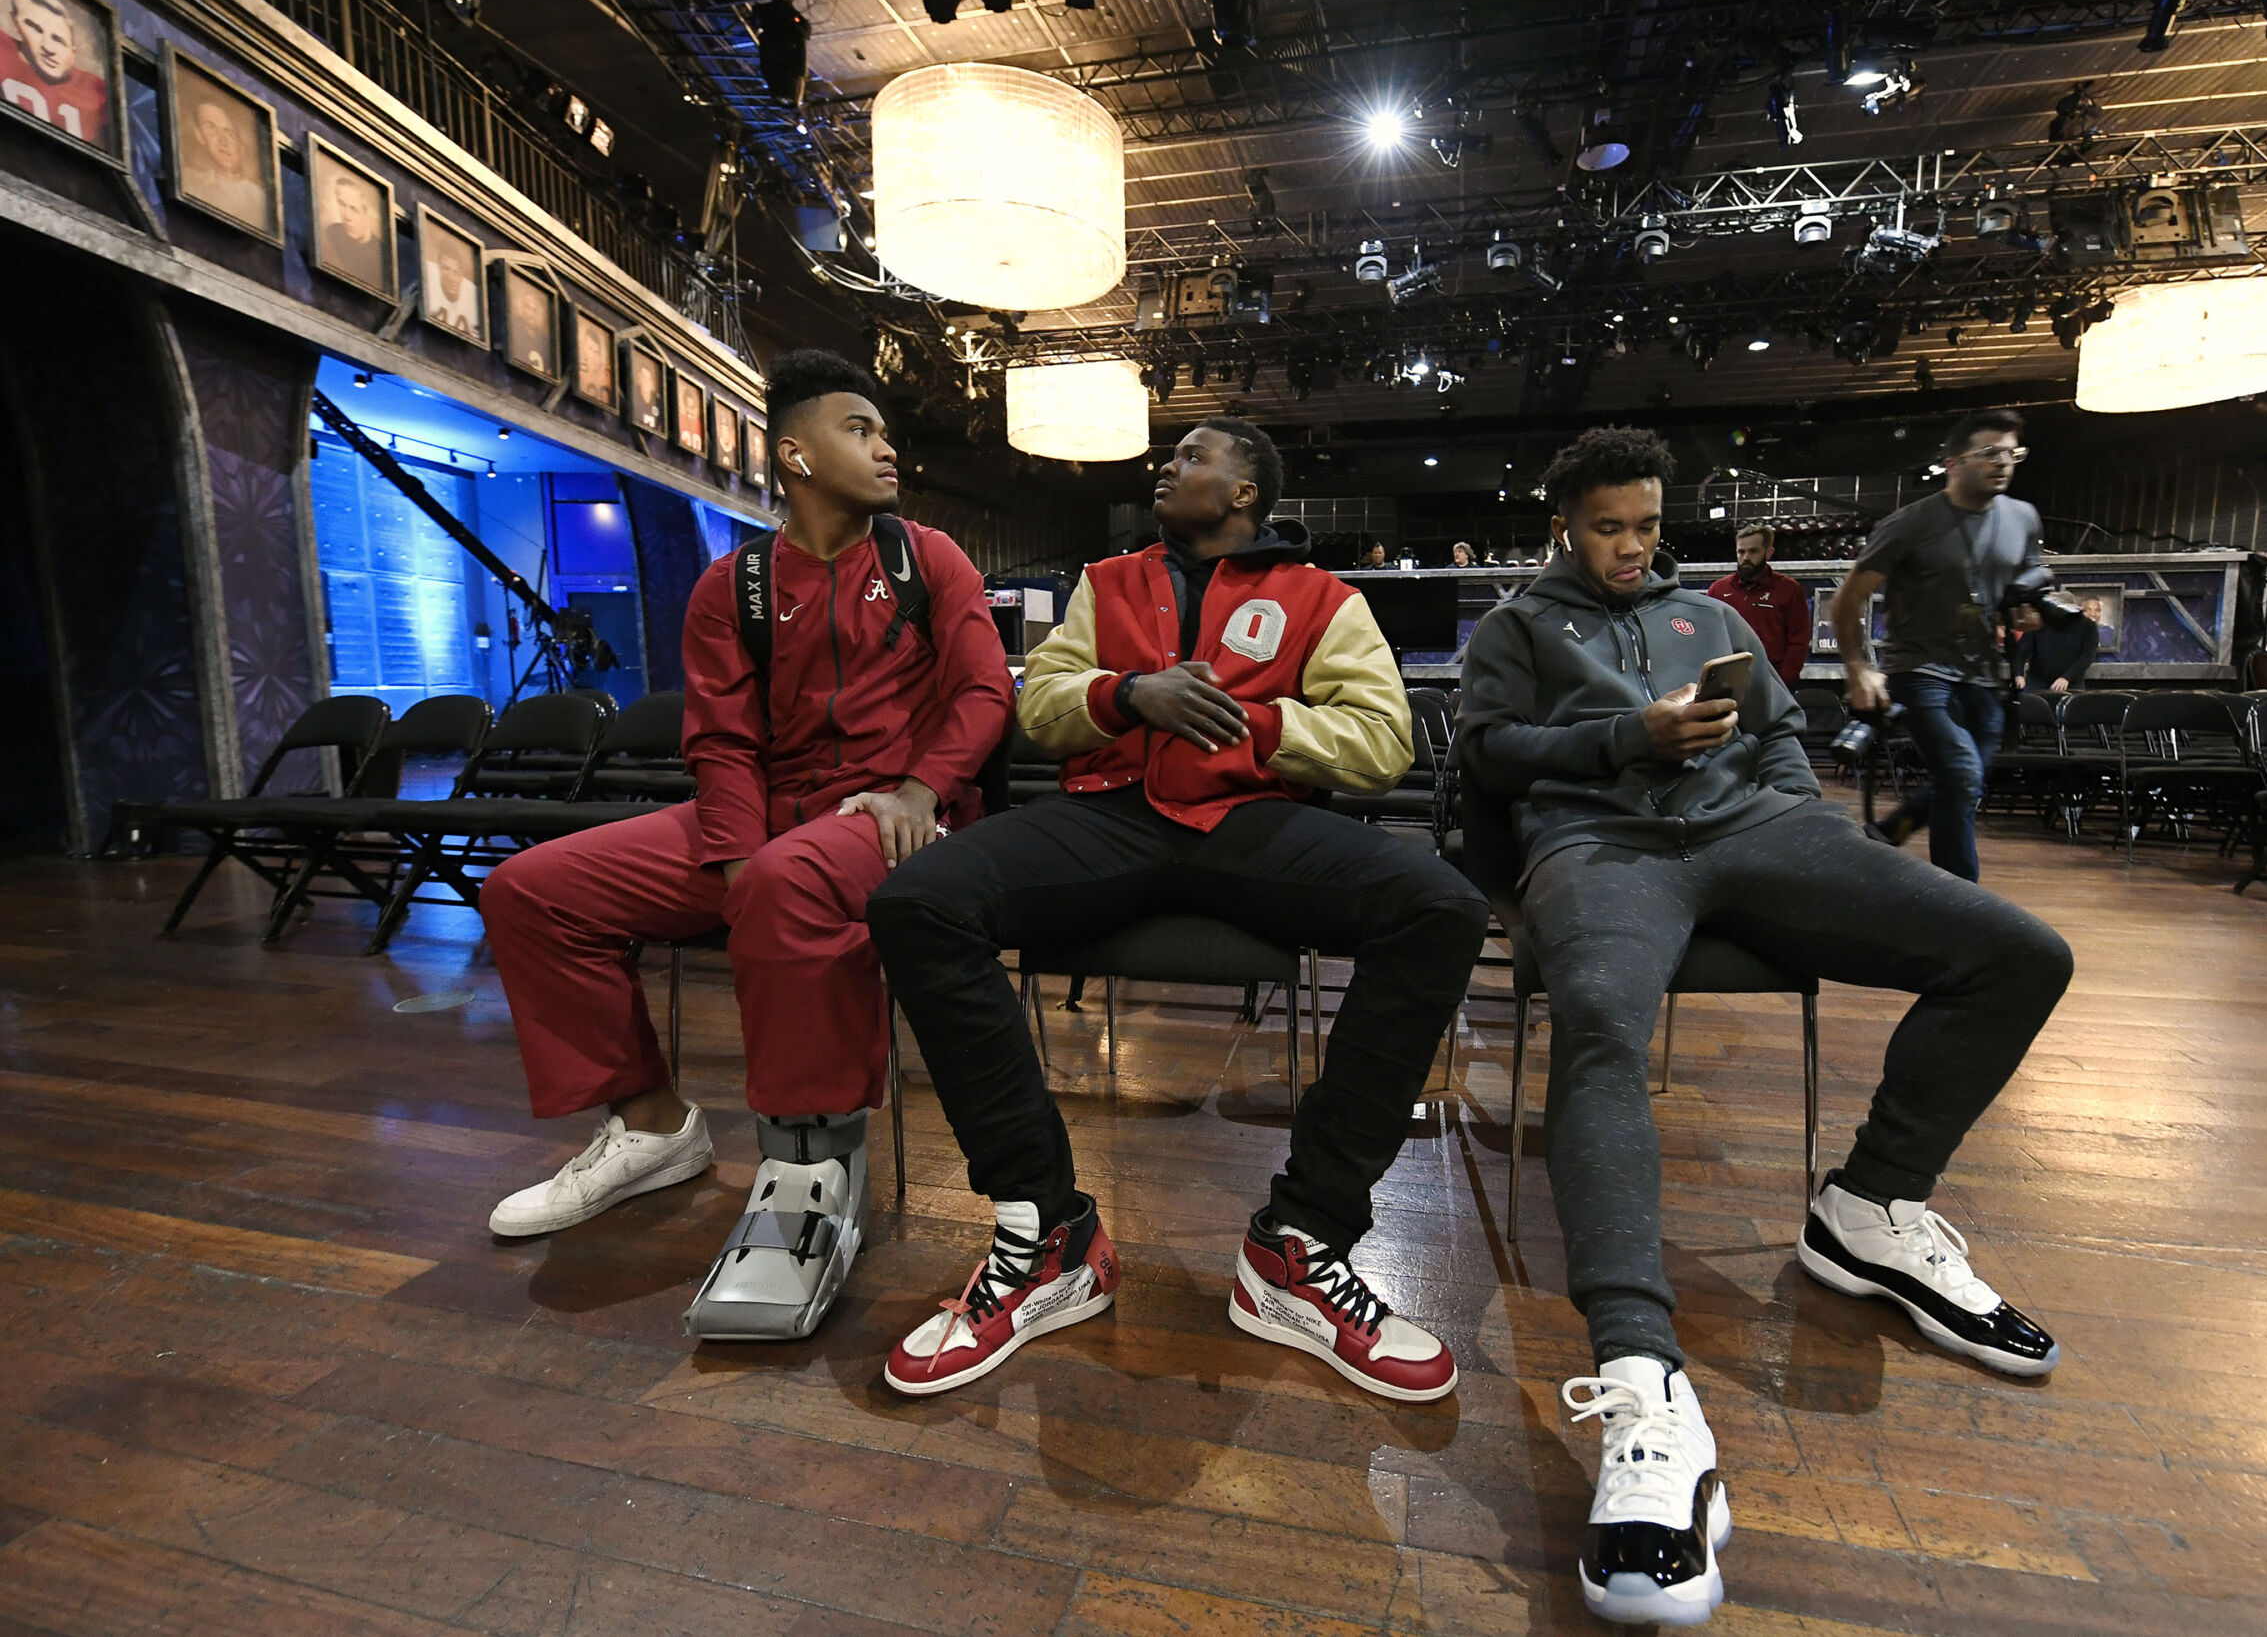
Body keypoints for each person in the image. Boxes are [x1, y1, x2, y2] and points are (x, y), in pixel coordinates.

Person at [1457, 426, 2072, 1627]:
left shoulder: (1710, 617)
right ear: (1562, 524)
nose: (1630, 546)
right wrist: (1627, 737)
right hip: (1598, 844)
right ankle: (1639, 1372)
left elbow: (1782, 731)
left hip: (1758, 833)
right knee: (1597, 1022)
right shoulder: (1516, 628)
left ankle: (1868, 1208)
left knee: (2018, 952)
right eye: (1606, 527)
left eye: (1646, 525)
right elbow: (1488, 754)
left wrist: (1799, 816)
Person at [865, 416, 1489, 1399]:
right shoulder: (1107, 581)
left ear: (1246, 491)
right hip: (1109, 815)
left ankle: (1302, 1238)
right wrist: (1128, 696)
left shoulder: (1322, 597)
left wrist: (1256, 723)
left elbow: (1381, 742)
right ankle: (1046, 1231)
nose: (1169, 464)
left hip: (1252, 822)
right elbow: (1040, 705)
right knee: (916, 899)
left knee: (1441, 905)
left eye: (1195, 455)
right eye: (1173, 453)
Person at [477, 350, 1012, 1342]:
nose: (886, 448)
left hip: (895, 814)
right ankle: (649, 1124)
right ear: (795, 455)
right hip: (764, 815)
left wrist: (921, 786)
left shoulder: (927, 558)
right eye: (859, 429)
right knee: (531, 887)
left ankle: (812, 1167)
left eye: (884, 432)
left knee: (786, 881)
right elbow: (720, 741)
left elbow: (985, 692)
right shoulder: (735, 585)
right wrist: (733, 857)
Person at [1830, 409, 2046, 881]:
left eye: (2012, 454)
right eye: (1989, 452)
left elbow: (2024, 590)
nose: (2002, 463)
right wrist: (1858, 668)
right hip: (1918, 669)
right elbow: (1846, 601)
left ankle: (1890, 830)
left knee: (1961, 783)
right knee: (1963, 775)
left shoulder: (2023, 518)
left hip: (1985, 674)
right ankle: (1961, 898)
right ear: (1953, 463)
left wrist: (2026, 613)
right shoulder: (1910, 524)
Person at [3, 0, 109, 146]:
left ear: (73, 50)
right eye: (35, 28)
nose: (47, 47)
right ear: (16, 24)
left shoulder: (97, 92)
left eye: (58, 39)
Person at [1703, 524, 1810, 687]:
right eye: (1741, 552)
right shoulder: (1718, 589)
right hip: (1726, 680)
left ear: (1769, 552)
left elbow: (1799, 639)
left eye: (1753, 551)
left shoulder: (1789, 589)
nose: (1746, 557)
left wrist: (1783, 681)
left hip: (1772, 680)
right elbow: (1708, 635)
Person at [182, 86, 266, 225]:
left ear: (241, 146)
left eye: (229, 133)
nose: (223, 141)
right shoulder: (190, 182)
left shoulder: (261, 200)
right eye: (211, 127)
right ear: (199, 136)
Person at [316, 165, 386, 290]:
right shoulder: (332, 233)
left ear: (366, 213)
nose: (347, 216)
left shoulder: (381, 253)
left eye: (354, 209)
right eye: (342, 204)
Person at [2013, 593, 2098, 693]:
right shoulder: (2039, 622)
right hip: (2037, 681)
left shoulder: (2088, 626)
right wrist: (2018, 674)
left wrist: (2066, 677)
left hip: (2072, 681)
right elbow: (2022, 650)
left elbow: (2088, 656)